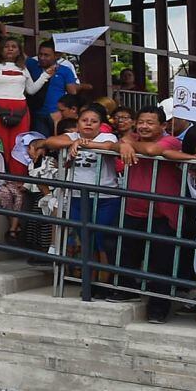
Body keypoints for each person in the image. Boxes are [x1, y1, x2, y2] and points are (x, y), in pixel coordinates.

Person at [37, 103, 123, 289]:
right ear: (78, 124)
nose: (89, 124)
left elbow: (111, 146)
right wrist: (74, 142)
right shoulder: (72, 136)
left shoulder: (106, 136)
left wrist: (82, 144)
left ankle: (105, 282)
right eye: (84, 120)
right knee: (86, 239)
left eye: (94, 121)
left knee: (103, 239)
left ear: (100, 125)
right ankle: (89, 282)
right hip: (77, 196)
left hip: (105, 197)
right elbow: (51, 141)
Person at [116, 106, 184, 322]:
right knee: (127, 253)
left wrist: (127, 144)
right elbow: (111, 144)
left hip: (162, 213)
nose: (144, 126)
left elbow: (154, 150)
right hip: (133, 209)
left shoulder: (172, 141)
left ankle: (158, 309)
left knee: (160, 263)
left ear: (163, 126)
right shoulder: (131, 138)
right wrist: (124, 143)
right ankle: (127, 291)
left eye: (150, 122)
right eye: (141, 121)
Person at [0, 36, 36, 162]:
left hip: (20, 109)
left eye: (14, 47)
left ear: (19, 51)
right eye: (6, 46)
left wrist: (46, 75)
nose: (10, 49)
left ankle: (17, 177)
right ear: (1, 50)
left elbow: (31, 90)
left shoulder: (23, 69)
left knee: (19, 142)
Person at [26, 41, 78, 130]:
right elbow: (17, 54)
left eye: (46, 55)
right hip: (36, 114)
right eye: (40, 54)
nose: (42, 58)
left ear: (56, 55)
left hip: (57, 114)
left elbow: (72, 93)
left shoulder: (65, 70)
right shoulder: (31, 64)